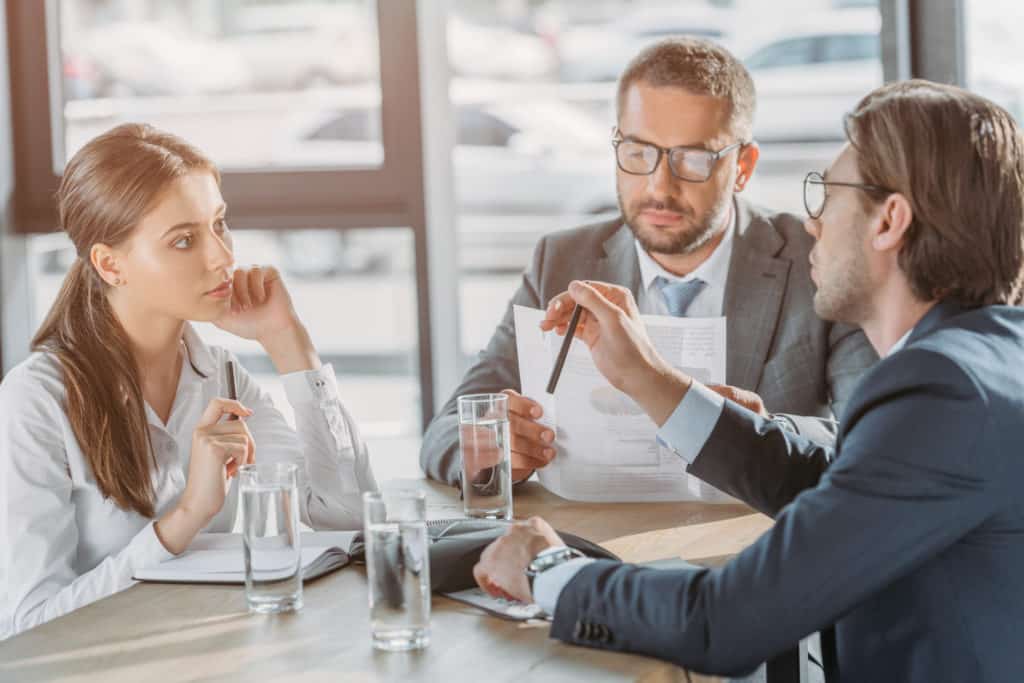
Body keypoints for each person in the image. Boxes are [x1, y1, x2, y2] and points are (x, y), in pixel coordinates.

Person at [472, 80, 1024, 682]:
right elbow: (834, 480)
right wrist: (651, 381)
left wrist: (548, 569)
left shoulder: (940, 390)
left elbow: (724, 622)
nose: (812, 223)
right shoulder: (986, 359)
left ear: (889, 221)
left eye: (828, 194)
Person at [421, 37, 876, 493]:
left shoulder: (816, 261)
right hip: (601, 547)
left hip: (754, 547)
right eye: (639, 153)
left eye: (693, 159)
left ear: (743, 166)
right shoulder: (561, 261)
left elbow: (875, 442)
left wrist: (760, 431)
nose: (660, 186)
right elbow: (445, 432)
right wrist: (487, 448)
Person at [0, 124, 378, 640]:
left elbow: (347, 515)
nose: (223, 256)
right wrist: (184, 519)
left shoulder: (218, 374)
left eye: (220, 224)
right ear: (111, 265)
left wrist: (289, 342)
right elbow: (30, 624)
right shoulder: (37, 400)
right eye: (184, 240)